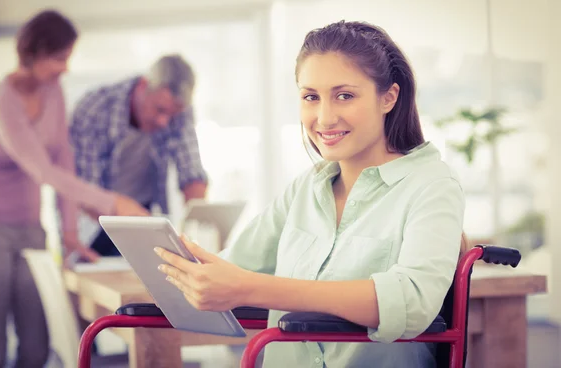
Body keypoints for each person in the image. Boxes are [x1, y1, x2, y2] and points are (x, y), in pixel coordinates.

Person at [154, 21, 465, 368]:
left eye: (344, 95)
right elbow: (234, 266)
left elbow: (413, 300)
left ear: (389, 97)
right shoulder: (307, 187)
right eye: (311, 97)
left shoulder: (431, 184)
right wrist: (183, 268)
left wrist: (252, 288)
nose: (324, 117)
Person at [0, 10, 148, 368]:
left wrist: (69, 232)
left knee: (36, 344)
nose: (65, 67)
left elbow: (62, 159)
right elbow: (41, 169)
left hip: (30, 231)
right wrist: (113, 202)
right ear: (32, 53)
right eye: (59, 57)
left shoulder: (53, 91)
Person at [69, 54, 208, 256]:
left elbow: (191, 172)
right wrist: (122, 210)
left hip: (143, 214)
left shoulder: (178, 110)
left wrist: (199, 225)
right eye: (159, 110)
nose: (164, 122)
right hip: (92, 223)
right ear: (143, 86)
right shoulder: (95, 109)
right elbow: (84, 189)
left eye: (172, 115)